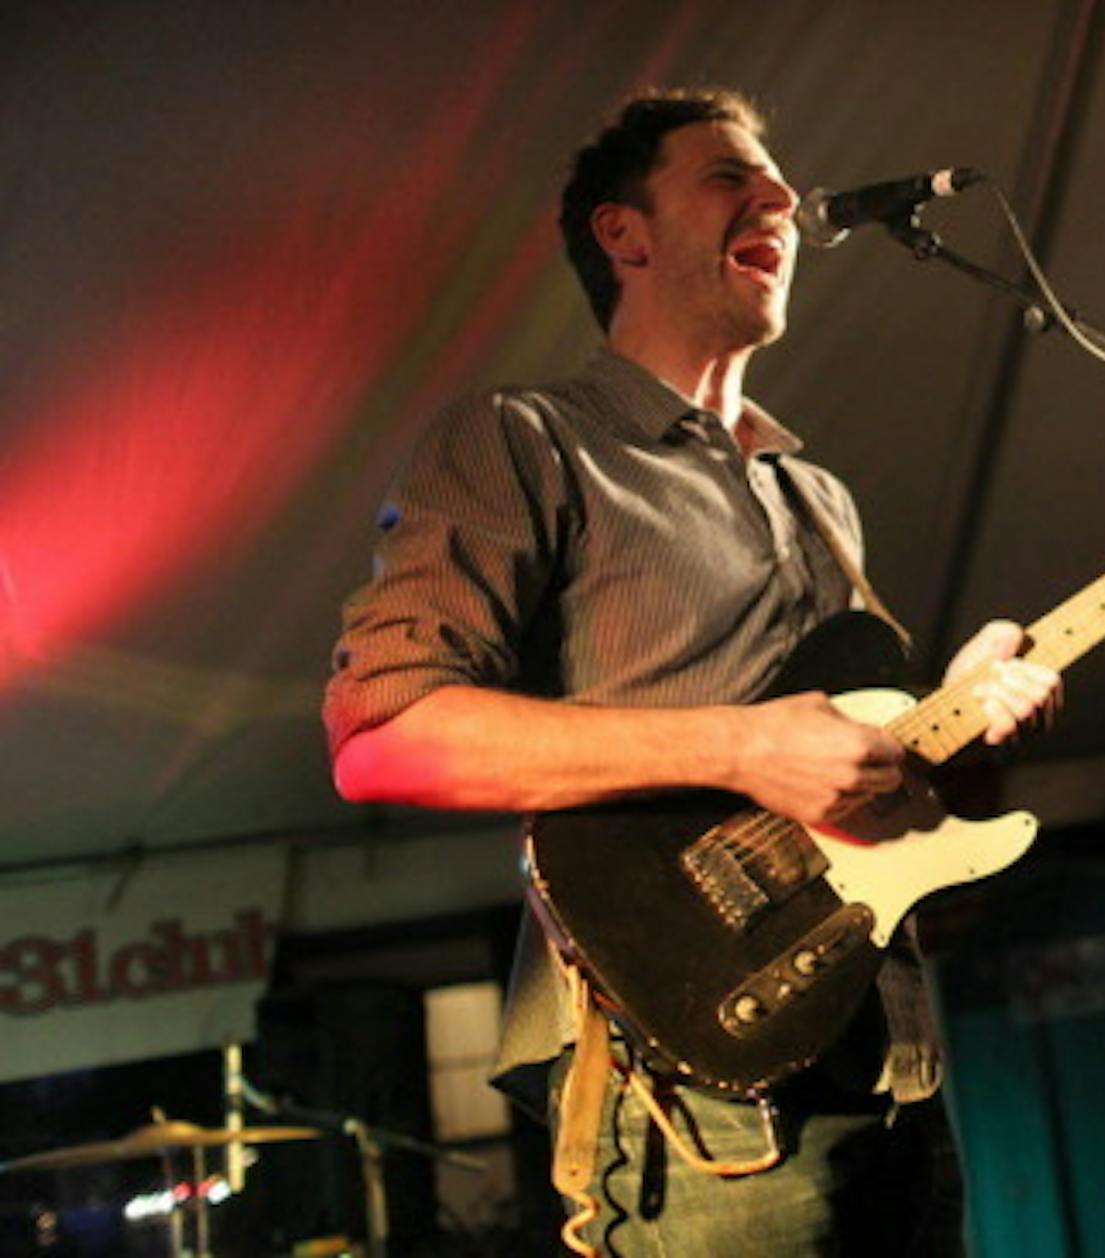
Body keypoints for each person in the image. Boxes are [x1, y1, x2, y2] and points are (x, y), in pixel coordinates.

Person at [323, 87, 1060, 1256]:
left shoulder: (817, 497)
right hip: (694, 1106)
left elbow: (869, 798)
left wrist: (963, 732)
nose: (777, 195)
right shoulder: (525, 437)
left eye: (771, 180)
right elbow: (383, 737)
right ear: (626, 234)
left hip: (889, 1065)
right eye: (731, 176)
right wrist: (741, 746)